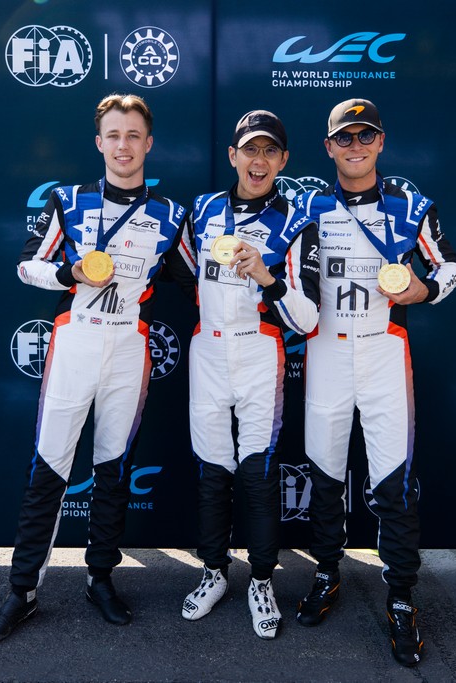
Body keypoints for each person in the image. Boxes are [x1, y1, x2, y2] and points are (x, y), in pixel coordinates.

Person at [0, 94, 186, 645]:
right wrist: (70, 273)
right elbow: (27, 265)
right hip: (75, 342)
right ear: (99, 143)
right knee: (50, 466)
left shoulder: (171, 214)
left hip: (130, 347)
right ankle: (23, 590)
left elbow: (195, 276)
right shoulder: (68, 201)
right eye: (113, 135)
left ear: (148, 144)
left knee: (113, 470)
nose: (123, 145)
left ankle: (100, 579)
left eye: (133, 135)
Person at [292, 98, 456, 667]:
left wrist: (424, 290)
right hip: (325, 351)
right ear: (329, 147)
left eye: (366, 136)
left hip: (385, 351)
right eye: (345, 137)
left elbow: (450, 266)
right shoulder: (308, 207)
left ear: (381, 142)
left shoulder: (411, 205)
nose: (356, 146)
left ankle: (402, 596)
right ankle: (326, 572)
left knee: (393, 481)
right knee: (324, 475)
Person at [169, 110, 321, 639]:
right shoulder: (202, 210)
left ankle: (261, 580)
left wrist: (267, 277)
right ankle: (214, 572)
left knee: (257, 473)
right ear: (232, 156)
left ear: (284, 160)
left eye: (270, 151)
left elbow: (309, 318)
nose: (259, 161)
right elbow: (181, 270)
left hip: (260, 351)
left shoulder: (296, 220)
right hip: (208, 350)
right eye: (250, 149)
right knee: (213, 470)